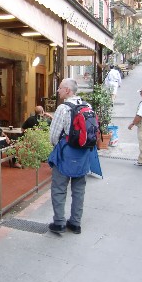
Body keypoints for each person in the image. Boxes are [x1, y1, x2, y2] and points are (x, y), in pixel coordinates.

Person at [47, 78, 98, 234]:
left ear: (67, 90)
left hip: (66, 154)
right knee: (79, 190)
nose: (58, 90)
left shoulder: (63, 108)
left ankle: (59, 222)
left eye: (60, 88)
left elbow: (53, 136)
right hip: (83, 153)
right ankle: (75, 223)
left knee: (59, 188)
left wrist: (59, 145)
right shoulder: (87, 106)